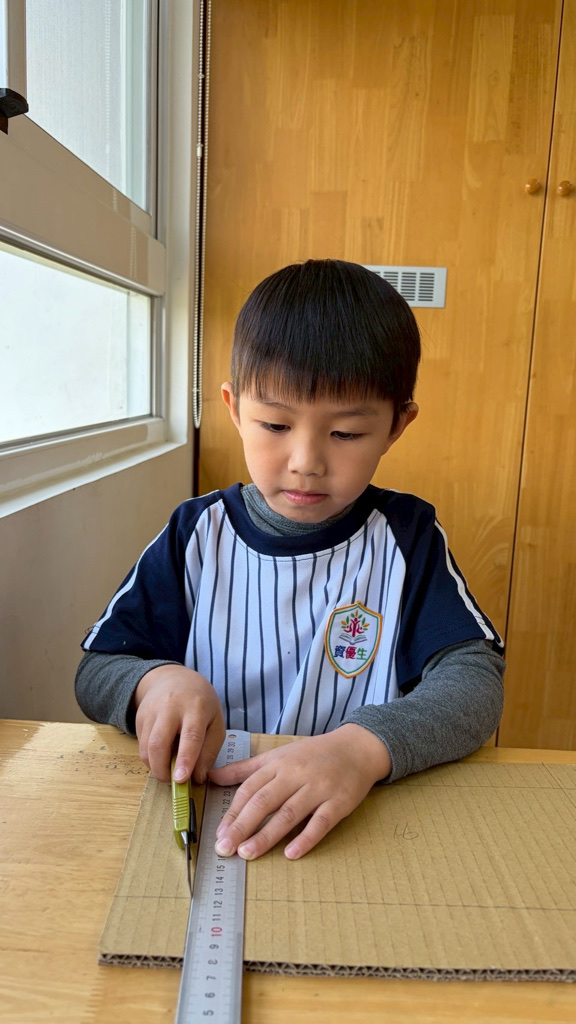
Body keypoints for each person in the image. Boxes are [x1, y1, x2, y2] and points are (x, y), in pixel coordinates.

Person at [76, 259, 505, 862]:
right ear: (233, 408)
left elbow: (475, 685)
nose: (306, 461)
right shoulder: (196, 534)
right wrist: (153, 682)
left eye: (346, 434)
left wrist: (360, 750)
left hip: (356, 827)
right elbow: (97, 670)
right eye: (275, 424)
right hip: (210, 816)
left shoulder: (408, 537)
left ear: (397, 426)